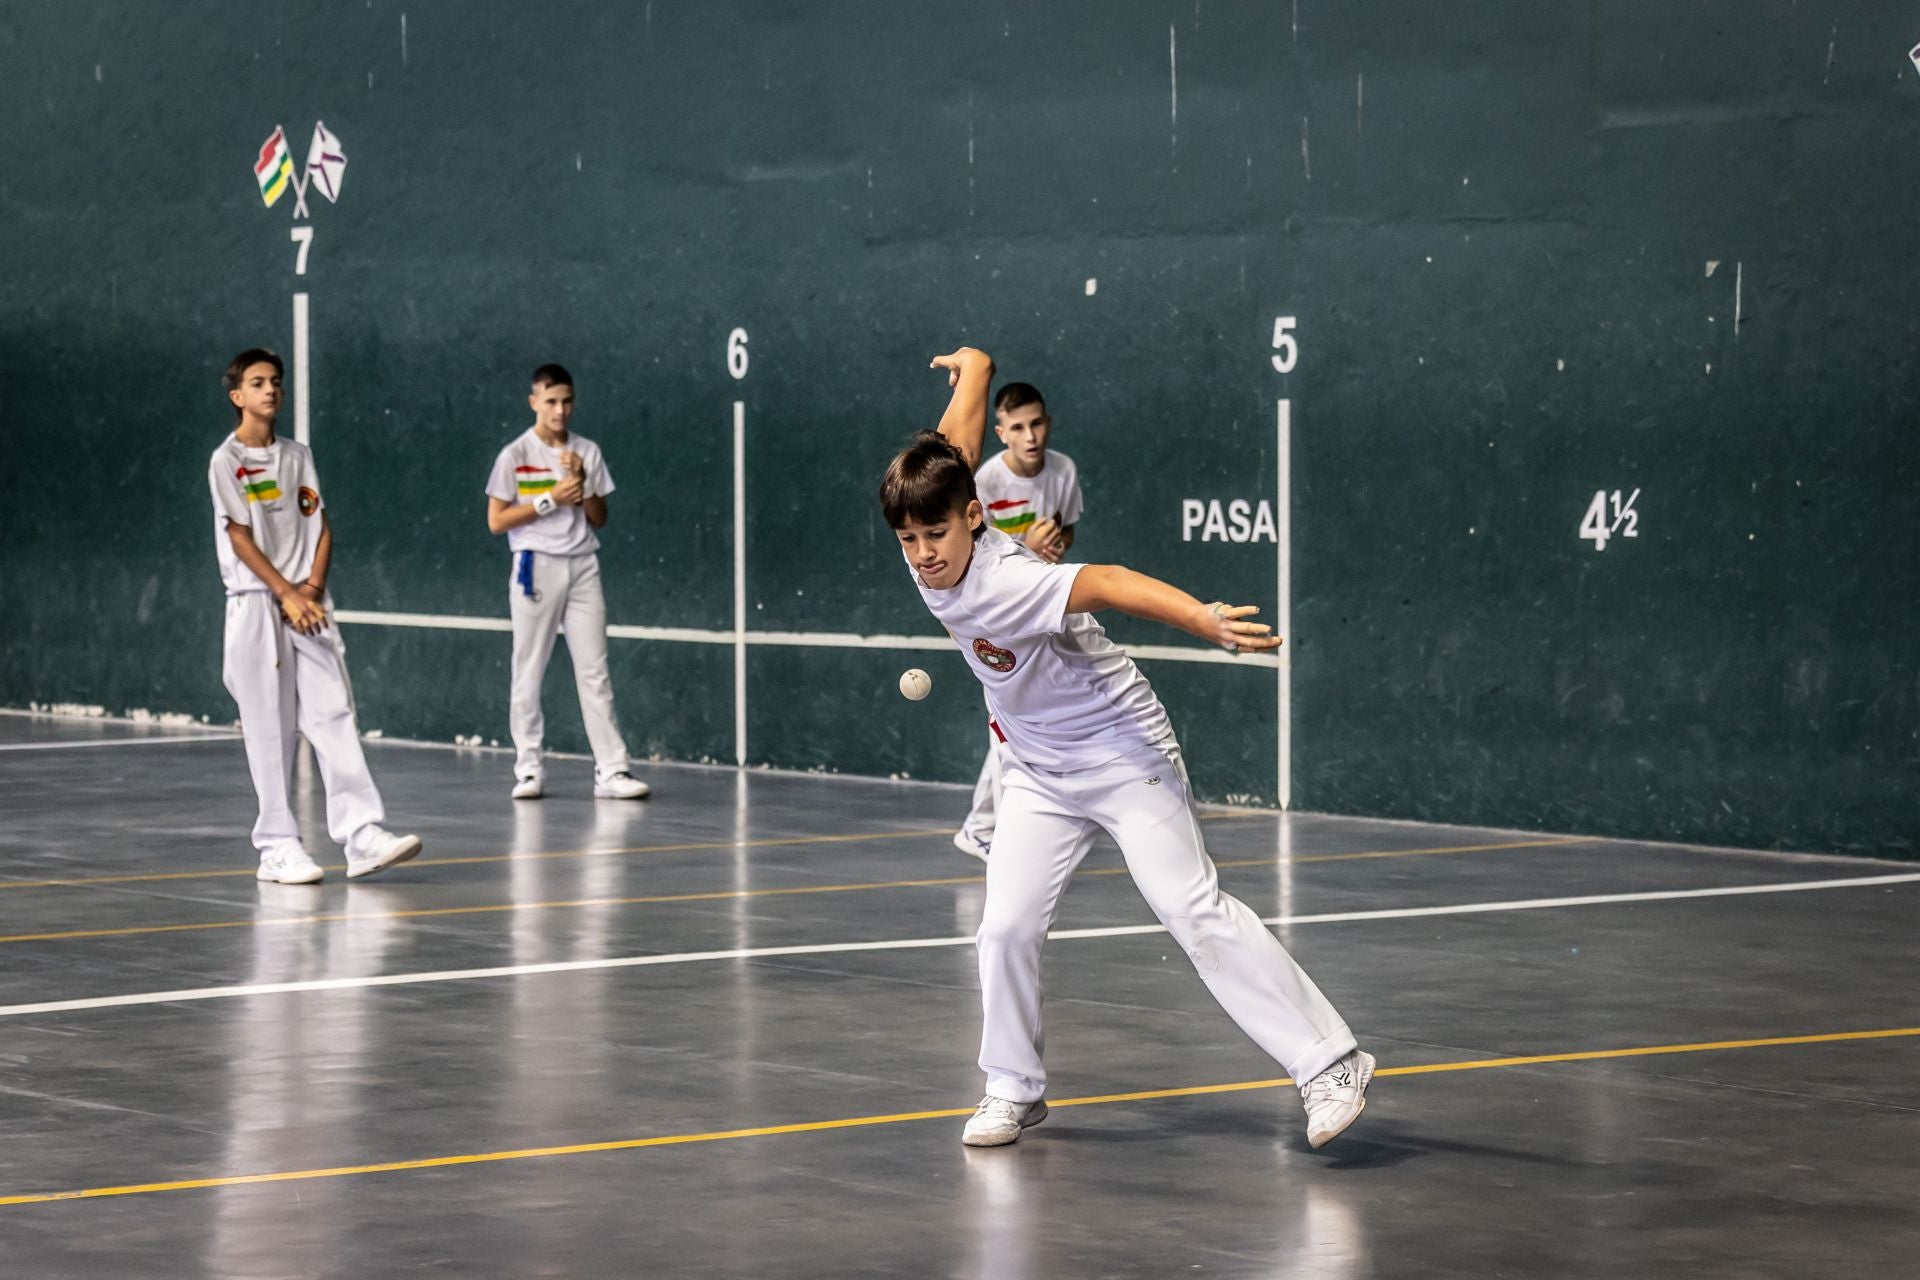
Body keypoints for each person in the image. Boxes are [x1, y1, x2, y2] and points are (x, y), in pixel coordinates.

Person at [882, 345, 1373, 1150]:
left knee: (1191, 907)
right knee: (1002, 930)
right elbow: (953, 451)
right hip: (1037, 769)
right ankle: (1013, 1088)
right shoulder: (939, 529)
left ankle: (1330, 1063)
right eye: (908, 540)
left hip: (1120, 750)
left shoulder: (1009, 581)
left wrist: (1204, 620)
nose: (924, 554)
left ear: (974, 518)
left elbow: (1106, 579)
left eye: (935, 533)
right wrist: (974, 371)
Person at [208, 348, 422, 884]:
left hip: (308, 604)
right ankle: (277, 846)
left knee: (333, 712)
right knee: (269, 729)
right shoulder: (225, 461)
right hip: (257, 604)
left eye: (276, 381)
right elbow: (239, 536)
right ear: (238, 397)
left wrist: (310, 589)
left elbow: (321, 525)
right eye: (258, 383)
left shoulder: (299, 455)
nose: (271, 390)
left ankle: (361, 834)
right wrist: (285, 593)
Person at [484, 364, 649, 801]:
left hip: (583, 568)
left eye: (567, 401)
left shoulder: (586, 452)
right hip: (535, 566)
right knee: (529, 668)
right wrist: (549, 499)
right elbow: (496, 521)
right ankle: (529, 769)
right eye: (551, 401)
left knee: (595, 671)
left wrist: (583, 481)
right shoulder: (514, 455)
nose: (561, 410)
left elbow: (599, 518)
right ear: (534, 402)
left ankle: (612, 771)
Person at [955, 382, 1084, 860]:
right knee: (1012, 723)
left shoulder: (1063, 471)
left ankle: (983, 827)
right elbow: (975, 557)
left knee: (1017, 723)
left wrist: (1056, 546)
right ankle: (994, 833)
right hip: (996, 615)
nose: (1029, 436)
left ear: (1047, 423)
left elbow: (1066, 527)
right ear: (1001, 433)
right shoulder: (985, 484)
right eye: (1017, 427)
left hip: (1044, 609)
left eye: (1036, 424)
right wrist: (1025, 549)